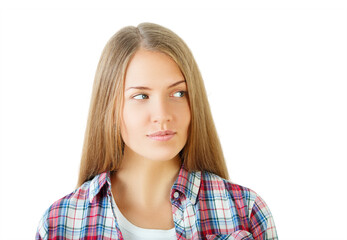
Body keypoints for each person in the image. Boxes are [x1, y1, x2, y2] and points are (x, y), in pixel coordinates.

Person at [36, 22, 278, 240]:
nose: (162, 114)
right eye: (140, 96)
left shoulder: (246, 210)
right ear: (109, 107)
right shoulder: (61, 223)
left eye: (178, 93)